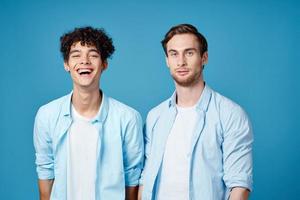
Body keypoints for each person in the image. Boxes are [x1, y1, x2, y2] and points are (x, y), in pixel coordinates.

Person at [139, 24, 253, 200]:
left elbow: (239, 186)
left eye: (189, 53)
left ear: (204, 57)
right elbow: (146, 179)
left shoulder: (230, 114)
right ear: (167, 60)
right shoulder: (155, 116)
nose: (181, 61)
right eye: (174, 54)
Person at [33, 26, 144, 200]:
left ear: (104, 64)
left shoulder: (128, 118)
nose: (84, 61)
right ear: (66, 64)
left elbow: (132, 176)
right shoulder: (46, 115)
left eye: (93, 55)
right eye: (76, 55)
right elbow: (45, 170)